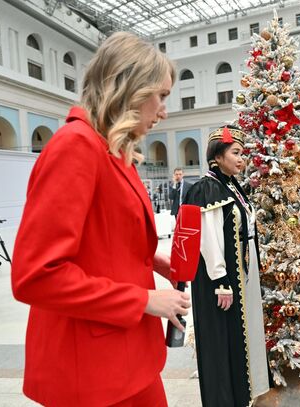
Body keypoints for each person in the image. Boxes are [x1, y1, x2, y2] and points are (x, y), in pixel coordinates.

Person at [11, 32, 191, 407]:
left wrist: (155, 264)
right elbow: (36, 276)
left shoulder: (106, 150)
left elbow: (103, 244)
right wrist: (142, 299)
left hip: (121, 355)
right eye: (160, 95)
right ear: (129, 87)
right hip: (94, 370)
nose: (163, 111)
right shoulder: (75, 147)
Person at [182, 126, 270, 406]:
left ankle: (240, 397)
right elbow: (208, 240)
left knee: (238, 338)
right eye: (236, 153)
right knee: (222, 342)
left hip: (240, 274)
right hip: (220, 280)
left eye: (242, 153)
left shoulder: (232, 186)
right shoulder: (207, 189)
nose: (242, 159)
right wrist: (221, 281)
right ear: (217, 157)